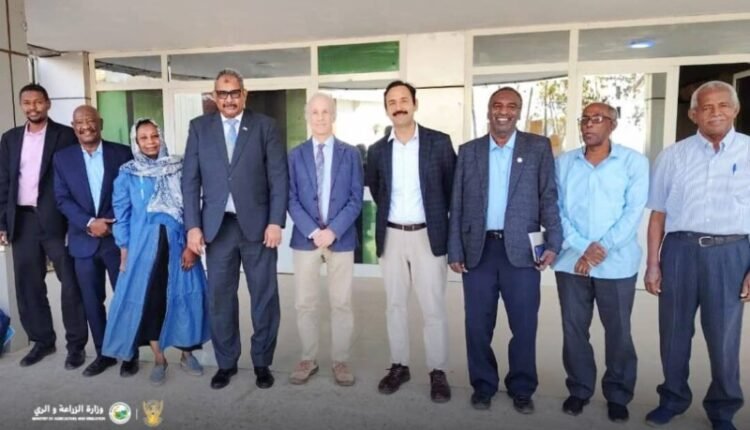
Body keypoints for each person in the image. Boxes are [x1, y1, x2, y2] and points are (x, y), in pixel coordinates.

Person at [448, 87, 562, 413]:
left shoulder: (537, 147)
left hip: (522, 252)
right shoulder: (469, 151)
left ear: (519, 112)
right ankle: (483, 385)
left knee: (524, 325)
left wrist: (553, 242)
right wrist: (455, 248)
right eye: (497, 105)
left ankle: (522, 388)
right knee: (477, 325)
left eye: (511, 106)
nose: (504, 111)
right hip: (478, 250)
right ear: (489, 110)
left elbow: (548, 196)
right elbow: (457, 202)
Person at [644, 80, 750, 430]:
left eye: (723, 105)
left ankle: (723, 410)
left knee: (723, 338)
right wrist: (653, 264)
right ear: (693, 115)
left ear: (735, 110)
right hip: (680, 252)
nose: (715, 112)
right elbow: (658, 215)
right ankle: (672, 399)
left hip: (731, 253)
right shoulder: (673, 156)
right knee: (673, 333)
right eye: (706, 107)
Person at [182, 68, 288, 390]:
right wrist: (193, 227)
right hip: (218, 228)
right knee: (220, 299)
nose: (229, 99)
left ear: (244, 94)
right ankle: (226, 363)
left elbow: (278, 177)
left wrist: (275, 221)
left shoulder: (265, 126)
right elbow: (190, 181)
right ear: (214, 97)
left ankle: (262, 362)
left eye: (234, 93)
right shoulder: (199, 128)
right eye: (222, 93)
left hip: (258, 228)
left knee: (264, 298)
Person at [554, 102, 649, 422]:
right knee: (574, 329)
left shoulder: (634, 162)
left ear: (613, 125)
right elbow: (556, 209)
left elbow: (633, 212)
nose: (588, 125)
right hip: (572, 262)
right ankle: (579, 389)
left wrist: (601, 248)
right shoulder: (564, 163)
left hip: (617, 263)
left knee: (618, 331)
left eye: (597, 119)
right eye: (584, 119)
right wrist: (584, 248)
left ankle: (618, 394)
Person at [365, 80, 455, 403]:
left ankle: (437, 371)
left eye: (404, 100)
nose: (398, 106)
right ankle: (399, 365)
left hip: (428, 236)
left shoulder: (439, 143)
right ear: (386, 108)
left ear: (415, 104)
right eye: (392, 102)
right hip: (392, 236)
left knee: (433, 307)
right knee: (394, 305)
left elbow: (451, 189)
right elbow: (378, 190)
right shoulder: (378, 150)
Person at [102, 118, 210, 385]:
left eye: (154, 136)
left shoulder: (179, 168)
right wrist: (124, 249)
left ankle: (187, 354)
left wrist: (192, 247)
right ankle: (159, 359)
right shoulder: (128, 174)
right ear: (135, 142)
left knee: (186, 300)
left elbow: (193, 207)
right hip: (143, 252)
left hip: (179, 247)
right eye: (144, 138)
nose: (150, 142)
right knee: (150, 303)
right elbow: (122, 215)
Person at [0, 83, 87, 369]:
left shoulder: (65, 135)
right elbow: (3, 181)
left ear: (47, 103)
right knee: (28, 285)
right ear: (21, 105)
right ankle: (42, 341)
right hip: (22, 220)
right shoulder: (10, 138)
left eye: (38, 102)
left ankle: (76, 346)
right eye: (27, 102)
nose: (33, 107)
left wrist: (77, 221)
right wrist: (2, 222)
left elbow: (76, 179)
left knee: (70, 283)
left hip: (57, 219)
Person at [287, 93, 363, 386]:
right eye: (315, 112)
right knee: (305, 303)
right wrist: (313, 231)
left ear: (334, 115)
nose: (320, 117)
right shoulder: (295, 155)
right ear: (308, 116)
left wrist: (333, 230)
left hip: (340, 239)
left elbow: (356, 199)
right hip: (306, 239)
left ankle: (340, 360)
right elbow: (291, 198)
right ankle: (308, 358)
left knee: (341, 302)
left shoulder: (350, 154)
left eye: (325, 112)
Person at [53, 105, 133, 377]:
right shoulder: (62, 158)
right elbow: (62, 199)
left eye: (90, 121)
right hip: (83, 241)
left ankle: (129, 352)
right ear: (73, 127)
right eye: (80, 122)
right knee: (91, 301)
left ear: (100, 123)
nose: (86, 126)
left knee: (125, 298)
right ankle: (104, 353)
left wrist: (109, 222)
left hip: (116, 240)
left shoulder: (122, 153)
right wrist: (89, 223)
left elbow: (130, 193)